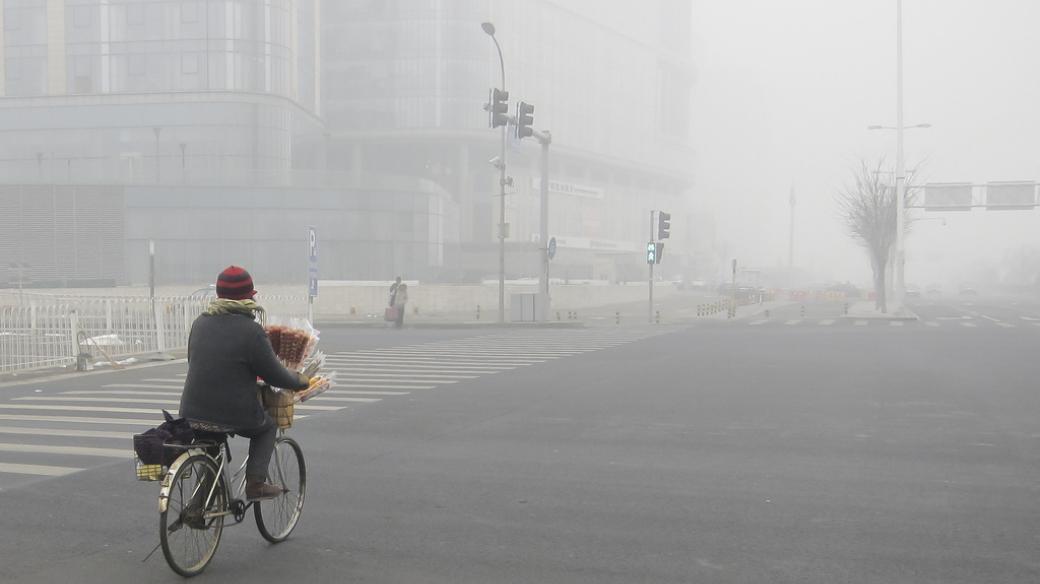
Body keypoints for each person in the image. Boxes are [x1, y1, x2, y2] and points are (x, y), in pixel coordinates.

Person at [179, 266, 309, 500]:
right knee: (267, 427)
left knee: (212, 449)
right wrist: (299, 381)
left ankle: (200, 505)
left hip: (192, 412)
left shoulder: (200, 323)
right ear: (248, 297)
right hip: (232, 413)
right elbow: (274, 375)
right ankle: (256, 484)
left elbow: (194, 361)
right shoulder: (251, 331)